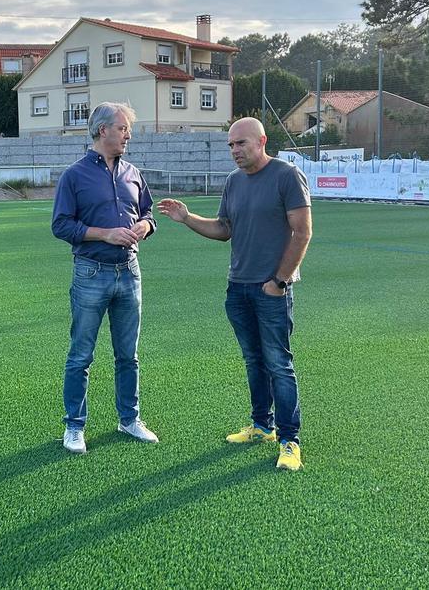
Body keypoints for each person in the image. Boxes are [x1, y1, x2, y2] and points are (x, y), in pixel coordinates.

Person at [156, 117, 312, 471]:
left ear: (261, 141)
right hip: (238, 288)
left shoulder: (286, 176)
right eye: (230, 145)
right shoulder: (233, 182)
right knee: (254, 361)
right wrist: (187, 218)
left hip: (271, 289)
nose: (235, 151)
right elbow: (224, 228)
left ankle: (290, 440)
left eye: (241, 143)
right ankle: (261, 426)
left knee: (279, 364)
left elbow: (302, 232)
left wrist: (280, 282)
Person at [51, 101, 159, 454]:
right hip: (91, 273)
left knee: (128, 355)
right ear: (102, 131)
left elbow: (148, 213)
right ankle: (74, 426)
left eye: (128, 128)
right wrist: (105, 234)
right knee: (81, 355)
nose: (128, 134)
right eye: (123, 127)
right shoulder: (74, 176)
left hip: (129, 272)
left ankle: (129, 419)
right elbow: (61, 225)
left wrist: (143, 226)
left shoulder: (133, 172)